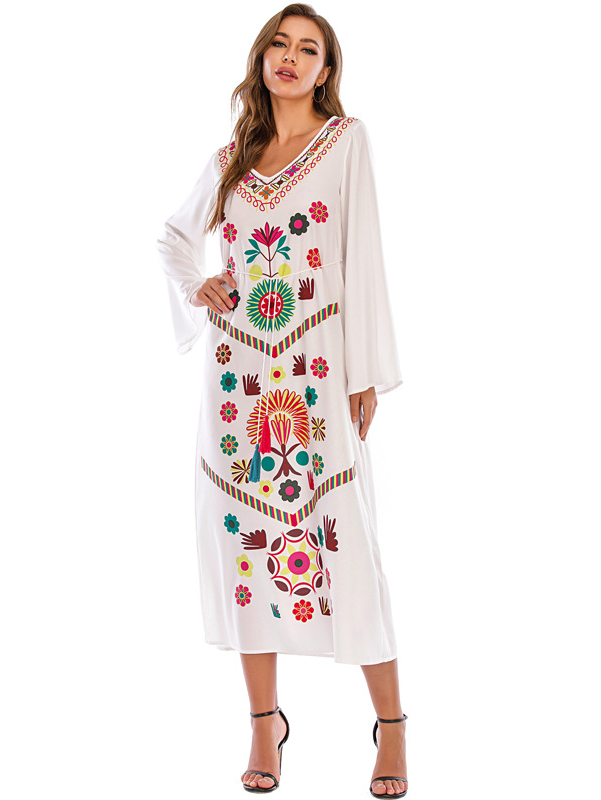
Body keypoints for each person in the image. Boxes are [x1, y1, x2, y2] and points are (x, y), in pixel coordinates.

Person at [156, 4, 408, 796]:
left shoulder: (346, 142)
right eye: (279, 43)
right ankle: (265, 725)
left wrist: (363, 371)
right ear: (261, 57)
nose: (290, 58)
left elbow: (363, 256)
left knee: (346, 539)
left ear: (326, 71)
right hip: (239, 383)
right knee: (245, 545)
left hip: (316, 371)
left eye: (308, 50)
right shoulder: (232, 157)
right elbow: (173, 237)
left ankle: (393, 725)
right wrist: (199, 284)